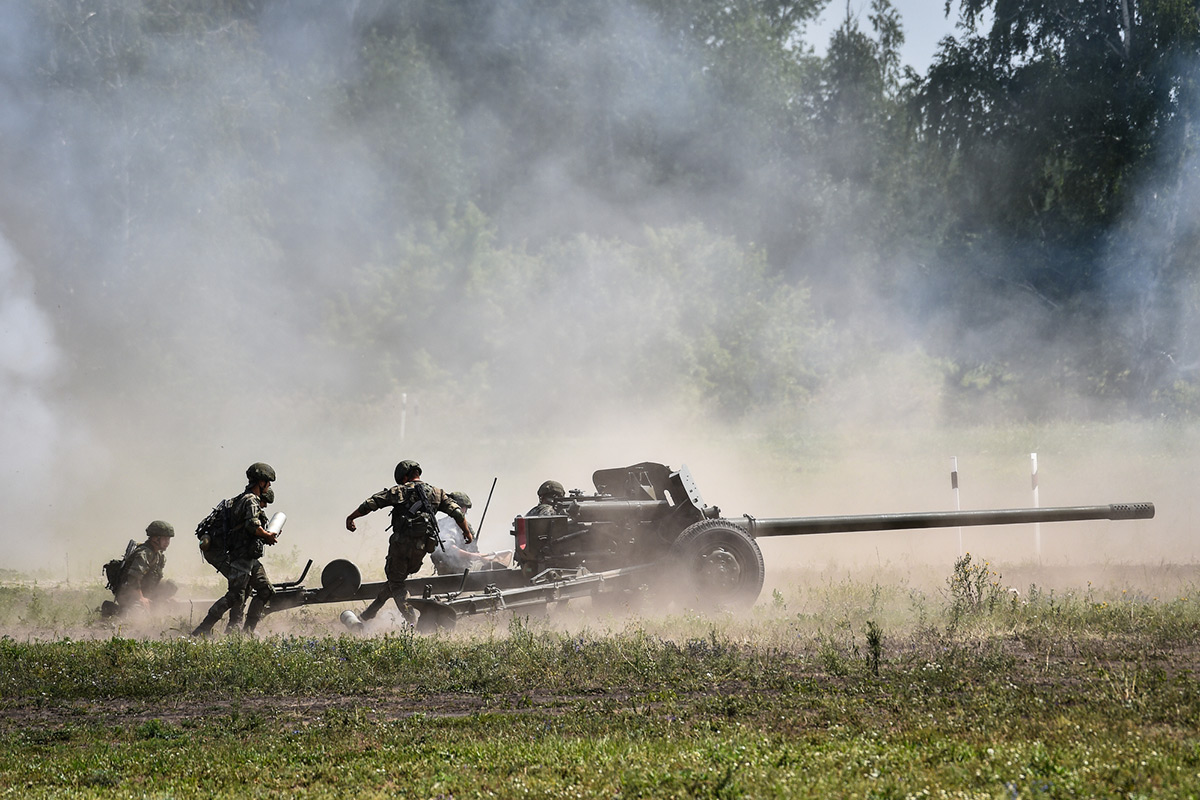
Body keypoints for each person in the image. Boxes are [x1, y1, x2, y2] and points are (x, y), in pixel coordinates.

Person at [346, 460, 472, 624]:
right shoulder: (437, 493)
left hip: (401, 547)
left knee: (397, 584)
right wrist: (467, 532)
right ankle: (367, 615)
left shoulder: (399, 491)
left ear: (404, 476)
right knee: (394, 581)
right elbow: (457, 513)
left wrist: (351, 517)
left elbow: (371, 503)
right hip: (421, 549)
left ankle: (414, 623)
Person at [191, 462, 279, 637]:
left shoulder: (241, 499)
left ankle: (245, 633)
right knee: (235, 596)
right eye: (268, 482)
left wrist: (264, 536)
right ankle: (202, 630)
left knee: (265, 590)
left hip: (249, 557)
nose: (269, 486)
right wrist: (266, 535)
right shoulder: (251, 500)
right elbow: (252, 525)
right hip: (241, 557)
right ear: (261, 482)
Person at [103, 520, 177, 617]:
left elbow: (154, 578)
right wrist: (141, 598)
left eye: (168, 539)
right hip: (130, 593)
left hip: (145, 589)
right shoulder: (144, 554)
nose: (167, 543)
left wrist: (163, 597)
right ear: (155, 538)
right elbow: (133, 579)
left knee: (171, 586)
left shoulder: (159, 556)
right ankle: (112, 609)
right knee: (136, 616)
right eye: (165, 539)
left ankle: (152, 603)